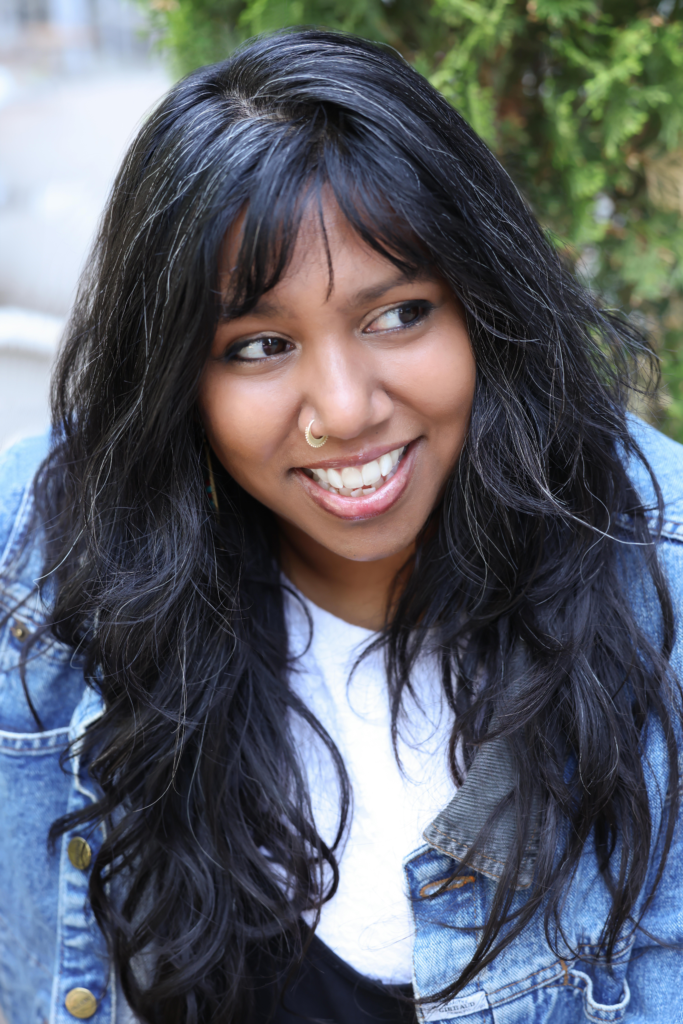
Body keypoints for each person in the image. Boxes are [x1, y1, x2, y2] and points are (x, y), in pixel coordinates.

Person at [1, 28, 682, 1024]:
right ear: (175, 378)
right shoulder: (42, 566)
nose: (344, 408)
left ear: (485, 308)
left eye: (398, 314)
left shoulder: (660, 589)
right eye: (260, 344)